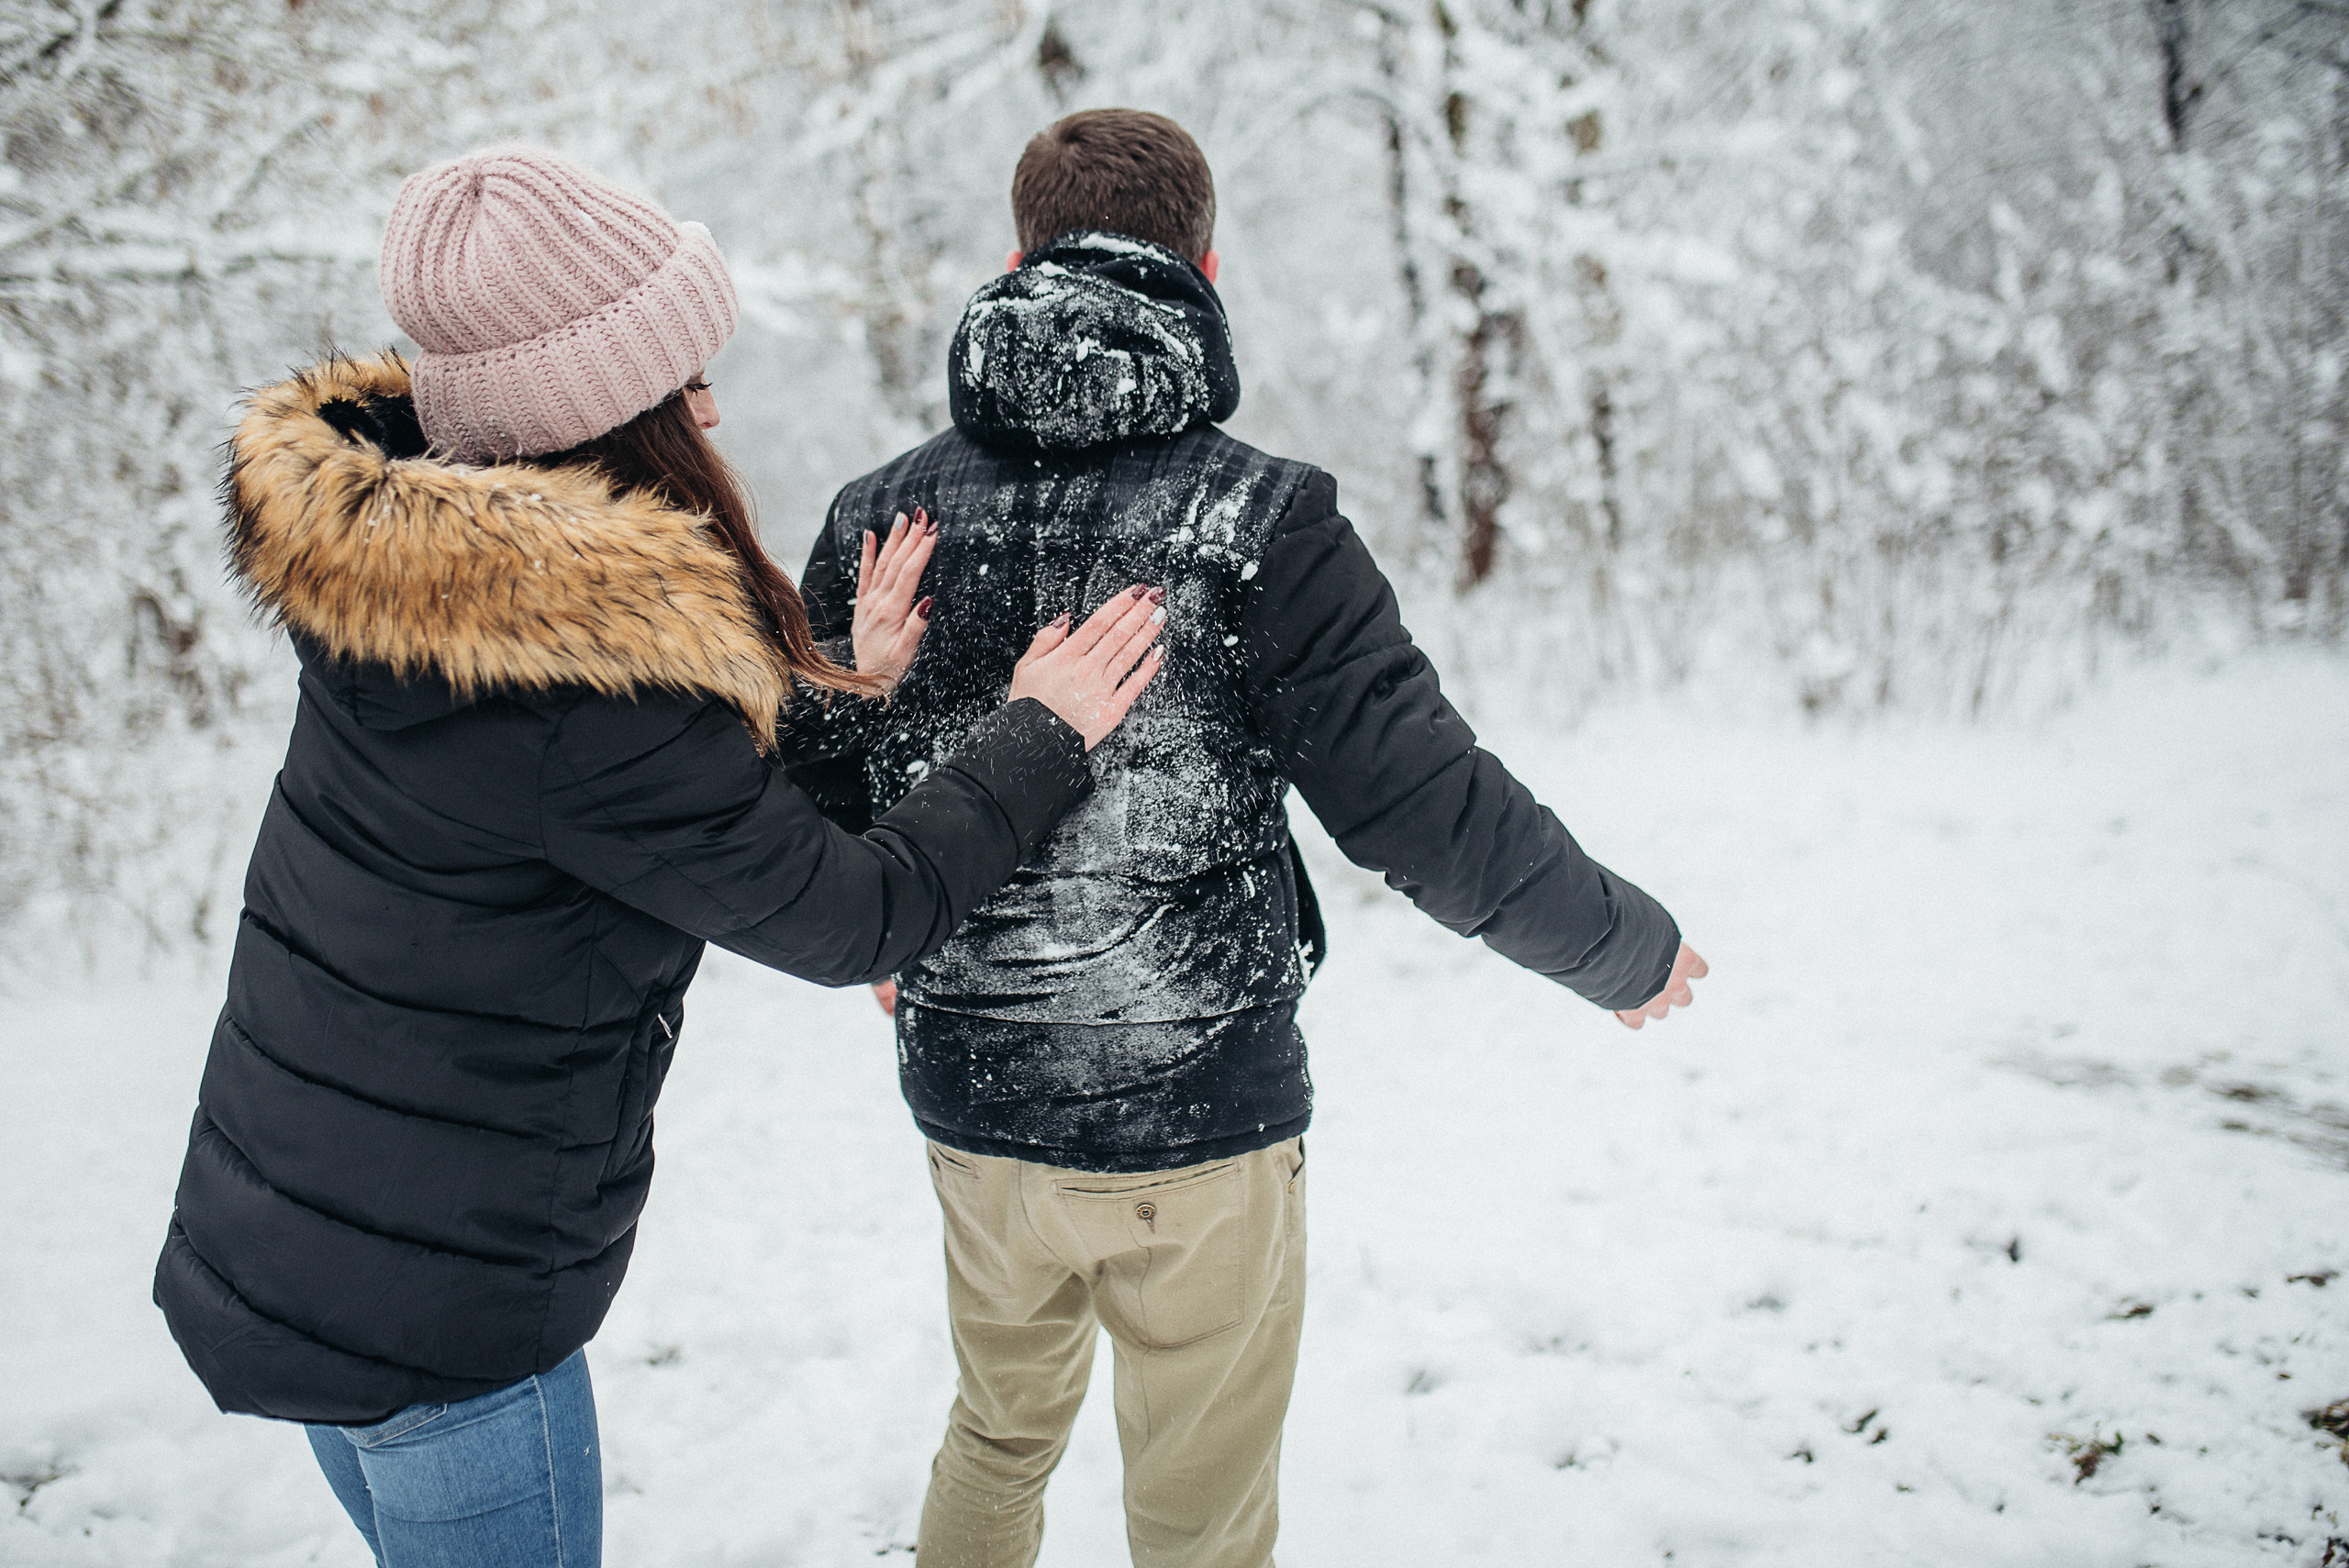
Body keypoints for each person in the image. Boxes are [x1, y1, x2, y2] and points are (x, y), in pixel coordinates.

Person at [150, 146, 1167, 1568]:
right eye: (686, 376)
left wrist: (846, 687)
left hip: (304, 1233)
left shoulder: (416, 588)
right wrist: (1036, 734)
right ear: (598, 410)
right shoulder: (582, 697)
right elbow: (854, 916)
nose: (712, 405)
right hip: (439, 1315)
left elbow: (629, 799)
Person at [793, 109, 1709, 1568]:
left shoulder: (878, 514)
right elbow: (1423, 805)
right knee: (1201, 1514)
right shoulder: (1264, 521)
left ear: (1018, 260)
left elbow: (806, 794)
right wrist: (1622, 949)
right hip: (1200, 1117)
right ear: (1205, 269)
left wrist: (881, 927)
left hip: (977, 1106)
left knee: (995, 1435)